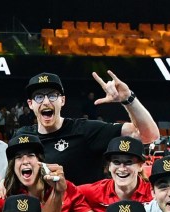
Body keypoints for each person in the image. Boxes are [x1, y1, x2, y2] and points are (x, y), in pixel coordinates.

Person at [16, 71, 160, 184]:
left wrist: (128, 99)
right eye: (39, 97)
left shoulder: (86, 130)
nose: (46, 102)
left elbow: (148, 135)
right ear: (30, 104)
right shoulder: (24, 137)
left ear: (63, 100)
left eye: (53, 96)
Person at [74, 136, 153, 212]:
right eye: (116, 162)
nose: (122, 169)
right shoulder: (94, 192)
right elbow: (69, 191)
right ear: (109, 166)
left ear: (140, 166)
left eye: (129, 162)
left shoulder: (154, 194)